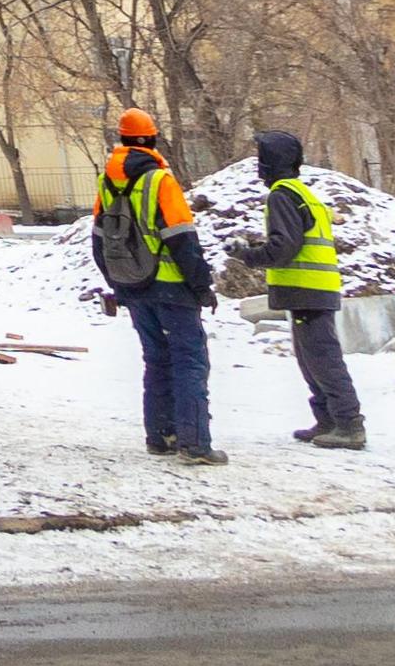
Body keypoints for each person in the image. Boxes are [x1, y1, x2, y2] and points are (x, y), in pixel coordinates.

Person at [91, 109, 220, 462]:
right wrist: (202, 285)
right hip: (173, 288)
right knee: (190, 361)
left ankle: (160, 436)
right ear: (151, 139)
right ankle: (195, 444)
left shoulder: (107, 182)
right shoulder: (161, 182)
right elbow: (182, 239)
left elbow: (99, 241)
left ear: (123, 140)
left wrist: (119, 284)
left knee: (156, 360)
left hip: (134, 287)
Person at [248, 127, 363, 449]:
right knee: (311, 359)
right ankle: (328, 419)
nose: (258, 166)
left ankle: (349, 424)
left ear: (271, 163)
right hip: (313, 290)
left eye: (261, 159)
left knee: (323, 360)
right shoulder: (301, 193)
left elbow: (283, 248)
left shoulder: (282, 196)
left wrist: (249, 254)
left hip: (307, 289)